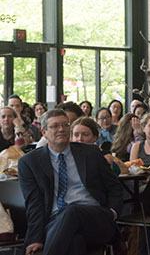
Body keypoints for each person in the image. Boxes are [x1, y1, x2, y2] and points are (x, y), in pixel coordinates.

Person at [18, 109, 123, 255]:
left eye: (65, 125)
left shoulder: (91, 153)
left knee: (72, 210)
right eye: (55, 126)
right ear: (44, 132)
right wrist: (35, 238)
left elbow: (114, 187)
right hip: (56, 222)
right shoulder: (29, 162)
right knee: (74, 241)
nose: (61, 129)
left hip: (96, 219)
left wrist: (113, 213)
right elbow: (34, 204)